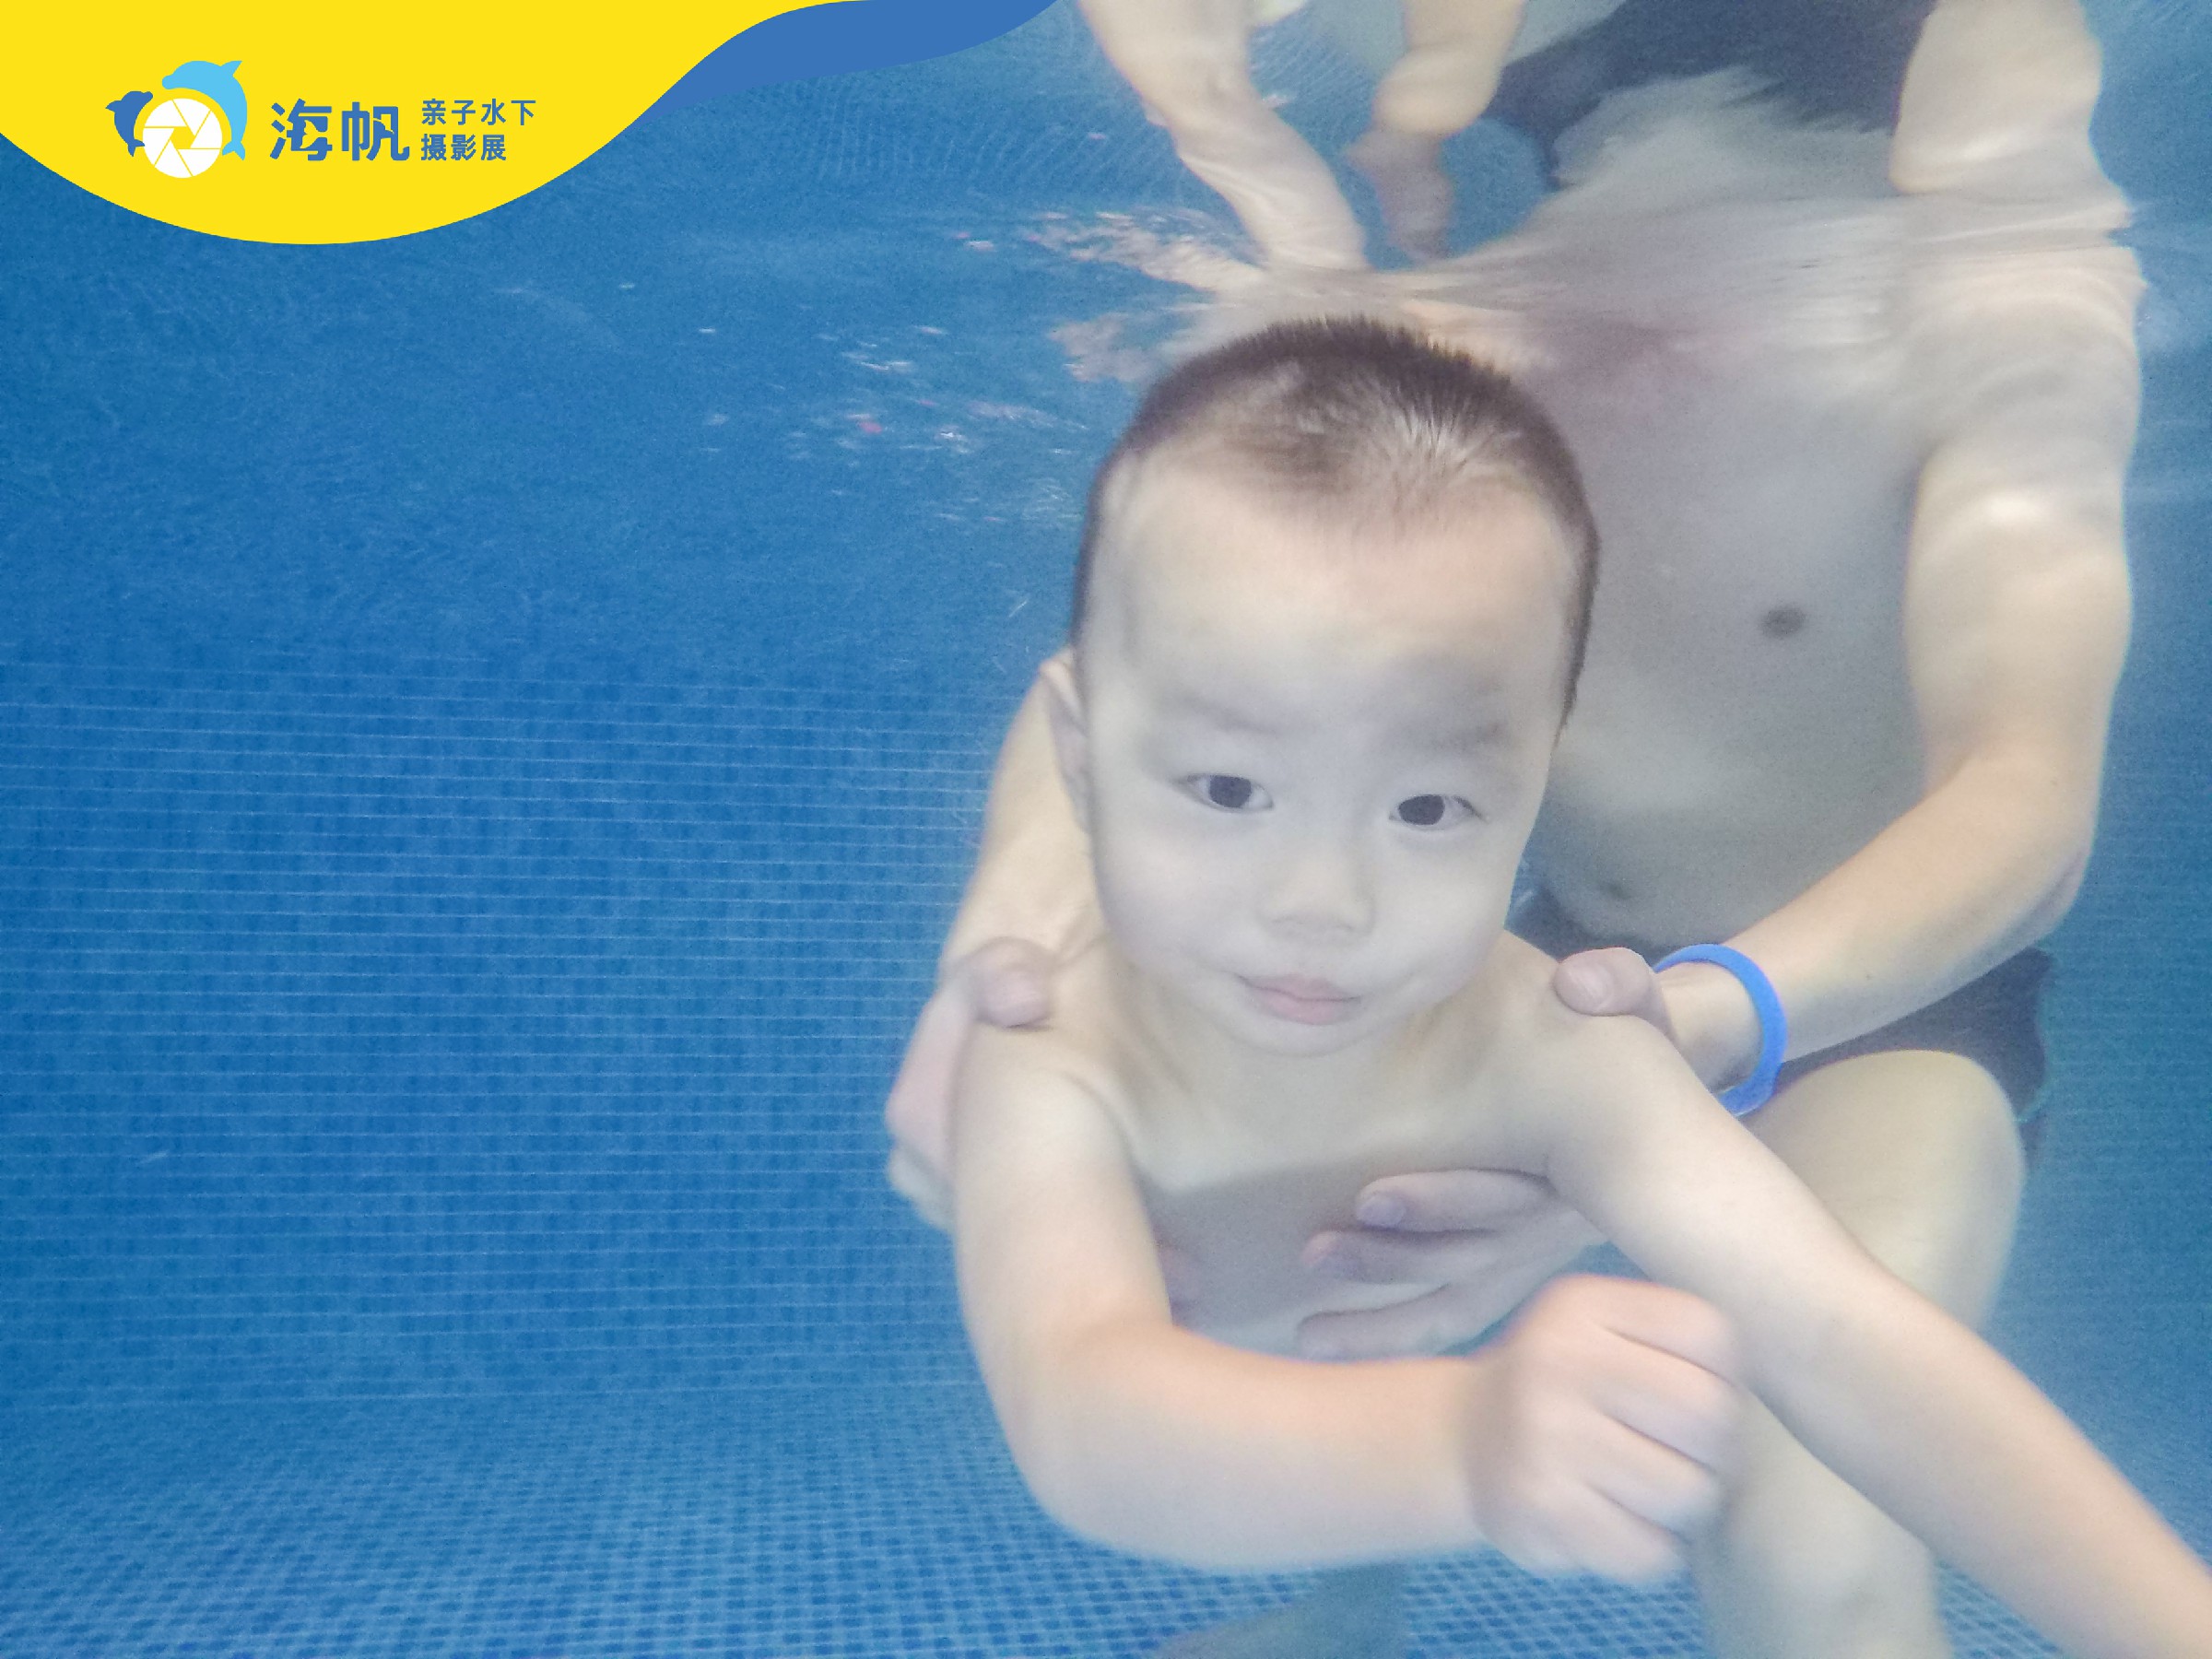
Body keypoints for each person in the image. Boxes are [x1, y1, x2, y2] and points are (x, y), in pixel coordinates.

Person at [892, 0, 2142, 1653]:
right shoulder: (1440, 367)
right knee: (1266, 1237)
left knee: (1803, 1523)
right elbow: (1149, 670)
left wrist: (1700, 1025)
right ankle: (1350, 1592)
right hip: (1560, 967)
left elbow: (2024, 800)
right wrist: (999, 955)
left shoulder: (1996, 317)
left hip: (1875, 1012)